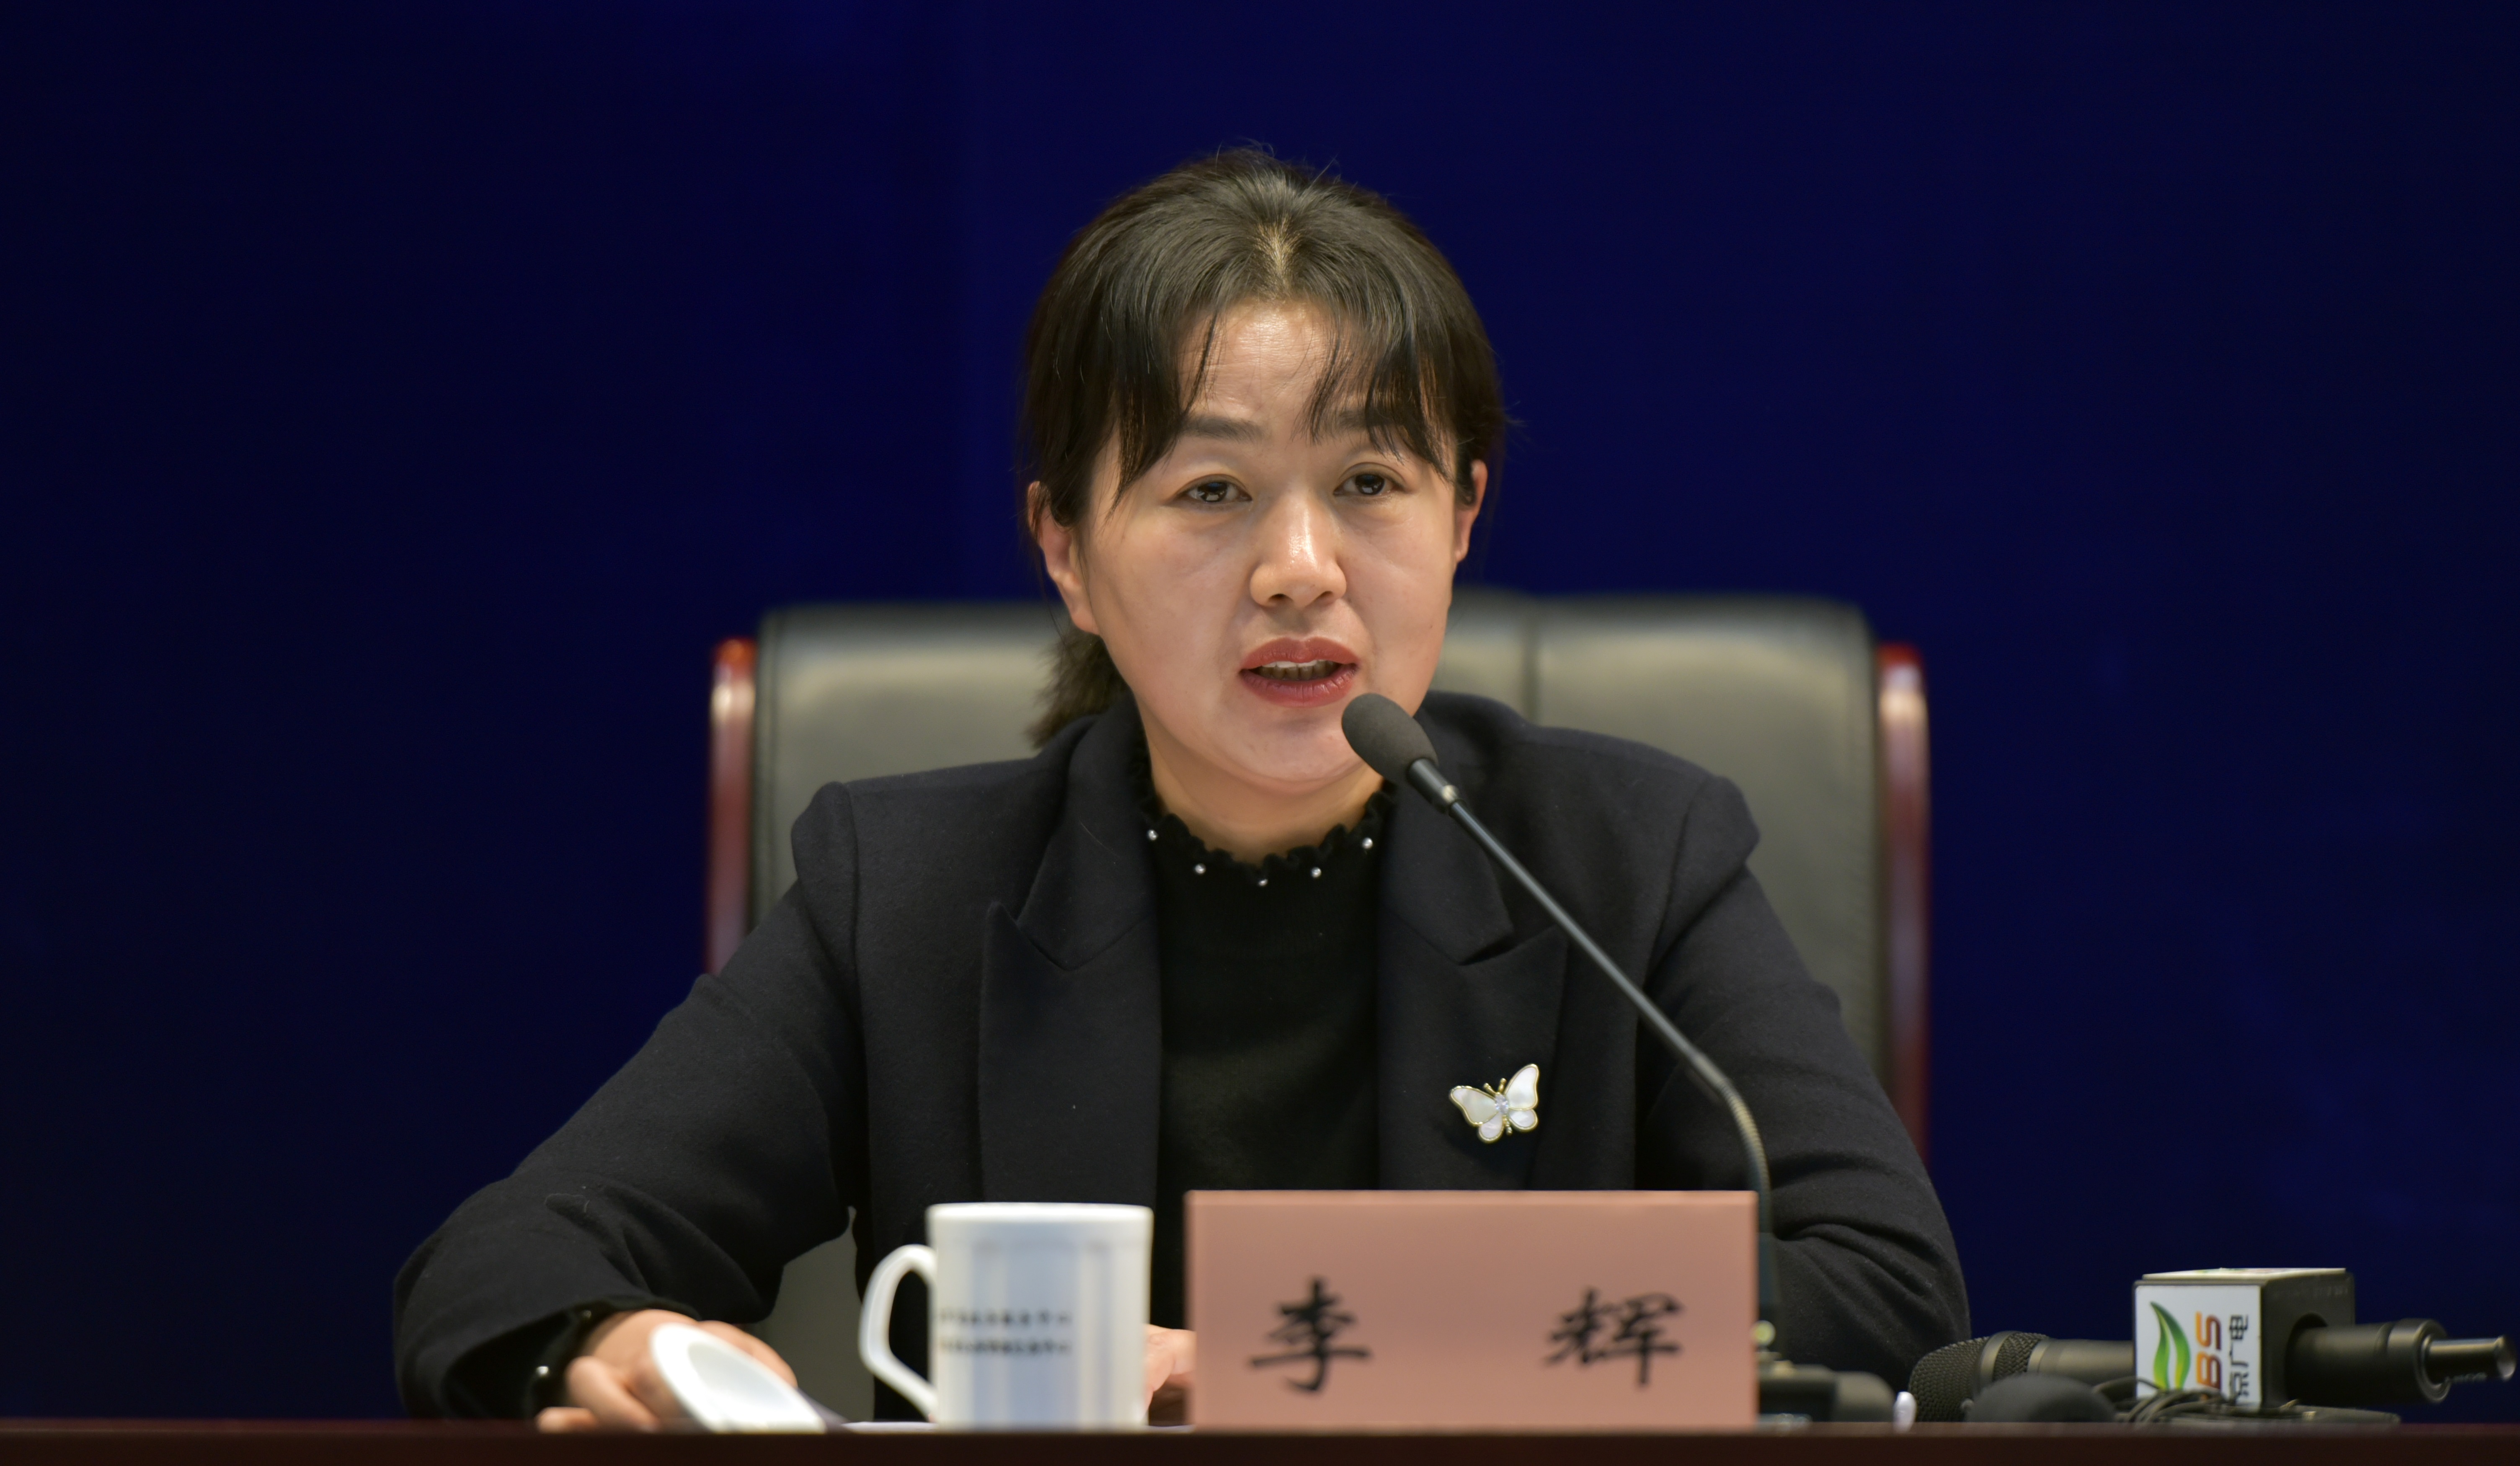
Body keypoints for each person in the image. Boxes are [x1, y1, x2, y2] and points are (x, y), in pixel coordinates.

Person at [392, 149, 1970, 1429]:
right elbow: (505, 1261)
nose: (1301, 569)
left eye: (1371, 482)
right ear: (1067, 551)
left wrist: (1301, 1355)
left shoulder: (1625, 857)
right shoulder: (911, 894)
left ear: (1464, 516)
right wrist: (607, 1345)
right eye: (1212, 490)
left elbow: (1885, 1286)